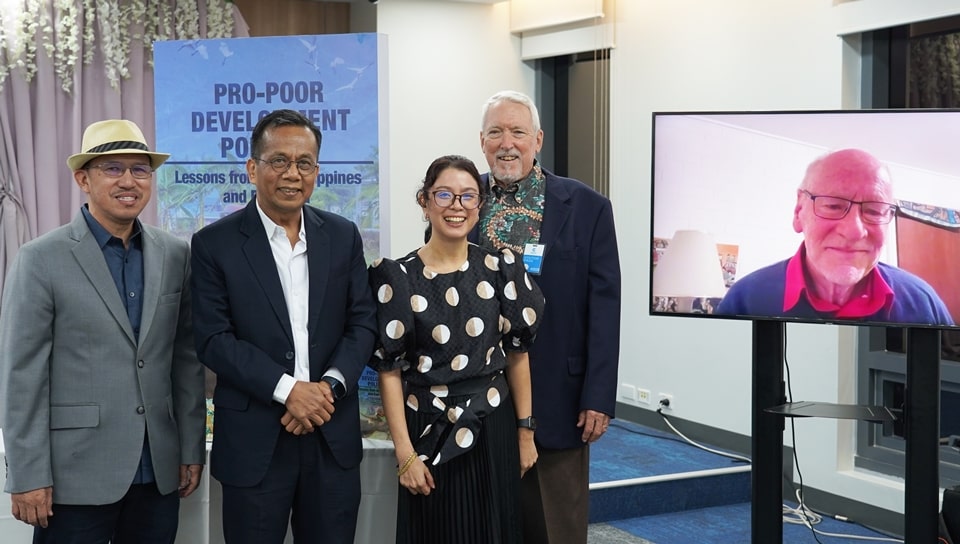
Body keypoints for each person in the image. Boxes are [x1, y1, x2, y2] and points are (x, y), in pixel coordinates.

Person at [0, 119, 206, 543]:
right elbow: (22, 375)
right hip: (74, 475)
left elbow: (185, 362)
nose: (129, 181)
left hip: (158, 471)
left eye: (140, 169)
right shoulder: (40, 259)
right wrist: (27, 472)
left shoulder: (175, 254)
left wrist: (190, 448)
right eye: (112, 169)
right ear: (83, 178)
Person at [190, 109, 377, 544]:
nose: (292, 173)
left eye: (304, 162)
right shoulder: (213, 244)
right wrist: (289, 390)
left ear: (316, 170)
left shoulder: (343, 235)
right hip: (257, 442)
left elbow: (363, 322)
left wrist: (326, 390)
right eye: (278, 161)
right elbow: (214, 340)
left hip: (330, 437)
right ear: (253, 168)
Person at [471, 90, 622, 544]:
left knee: (554, 527)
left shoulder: (587, 207)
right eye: (496, 132)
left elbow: (605, 306)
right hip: (476, 394)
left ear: (537, 140)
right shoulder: (461, 200)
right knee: (483, 523)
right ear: (482, 141)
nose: (507, 143)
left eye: (518, 131)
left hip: (559, 396)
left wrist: (598, 394)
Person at [369, 154, 544, 543]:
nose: (456, 206)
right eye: (444, 194)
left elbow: (518, 357)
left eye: (468, 196)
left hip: (491, 426)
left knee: (496, 531)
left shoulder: (502, 270)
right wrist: (404, 454)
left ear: (480, 206)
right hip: (427, 431)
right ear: (425, 201)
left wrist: (525, 433)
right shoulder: (398, 278)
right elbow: (390, 372)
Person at [716, 148, 954, 325]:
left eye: (874, 210)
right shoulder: (746, 299)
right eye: (833, 206)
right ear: (799, 211)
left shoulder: (923, 303)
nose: (854, 230)